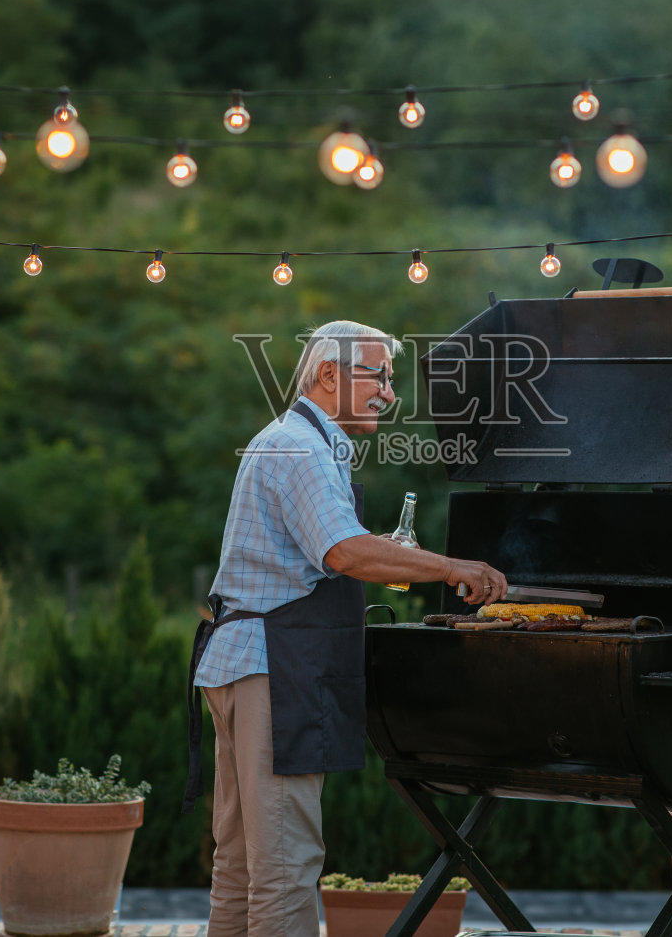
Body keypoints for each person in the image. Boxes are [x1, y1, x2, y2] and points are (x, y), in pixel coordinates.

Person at [183, 319, 508, 937]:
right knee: (283, 866)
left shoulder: (292, 442)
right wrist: (451, 567)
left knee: (241, 863)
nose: (390, 393)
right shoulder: (302, 450)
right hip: (272, 671)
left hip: (240, 664)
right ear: (329, 375)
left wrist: (391, 555)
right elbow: (343, 553)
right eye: (378, 376)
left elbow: (330, 552)